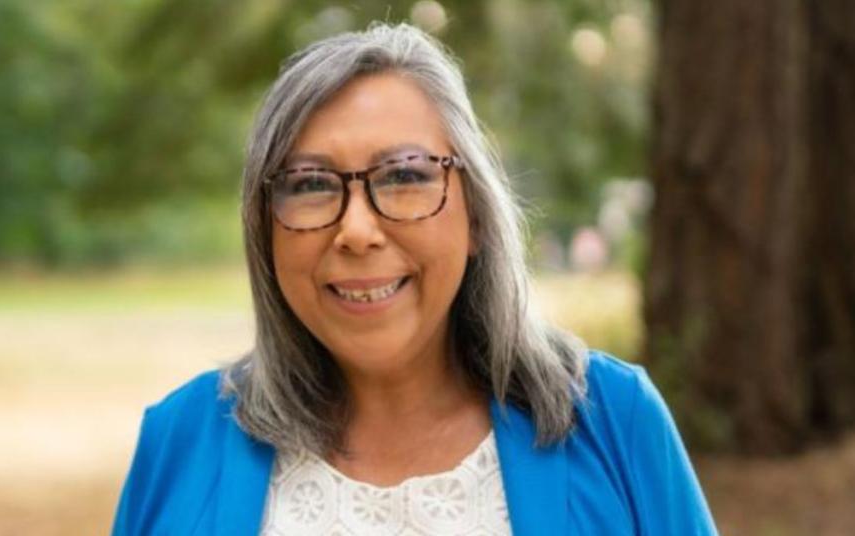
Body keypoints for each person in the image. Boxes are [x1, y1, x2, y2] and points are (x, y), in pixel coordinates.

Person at [112, 23, 717, 536]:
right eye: (310, 185)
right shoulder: (179, 440)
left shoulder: (615, 420)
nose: (356, 230)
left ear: (475, 214)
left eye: (404, 176)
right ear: (264, 231)